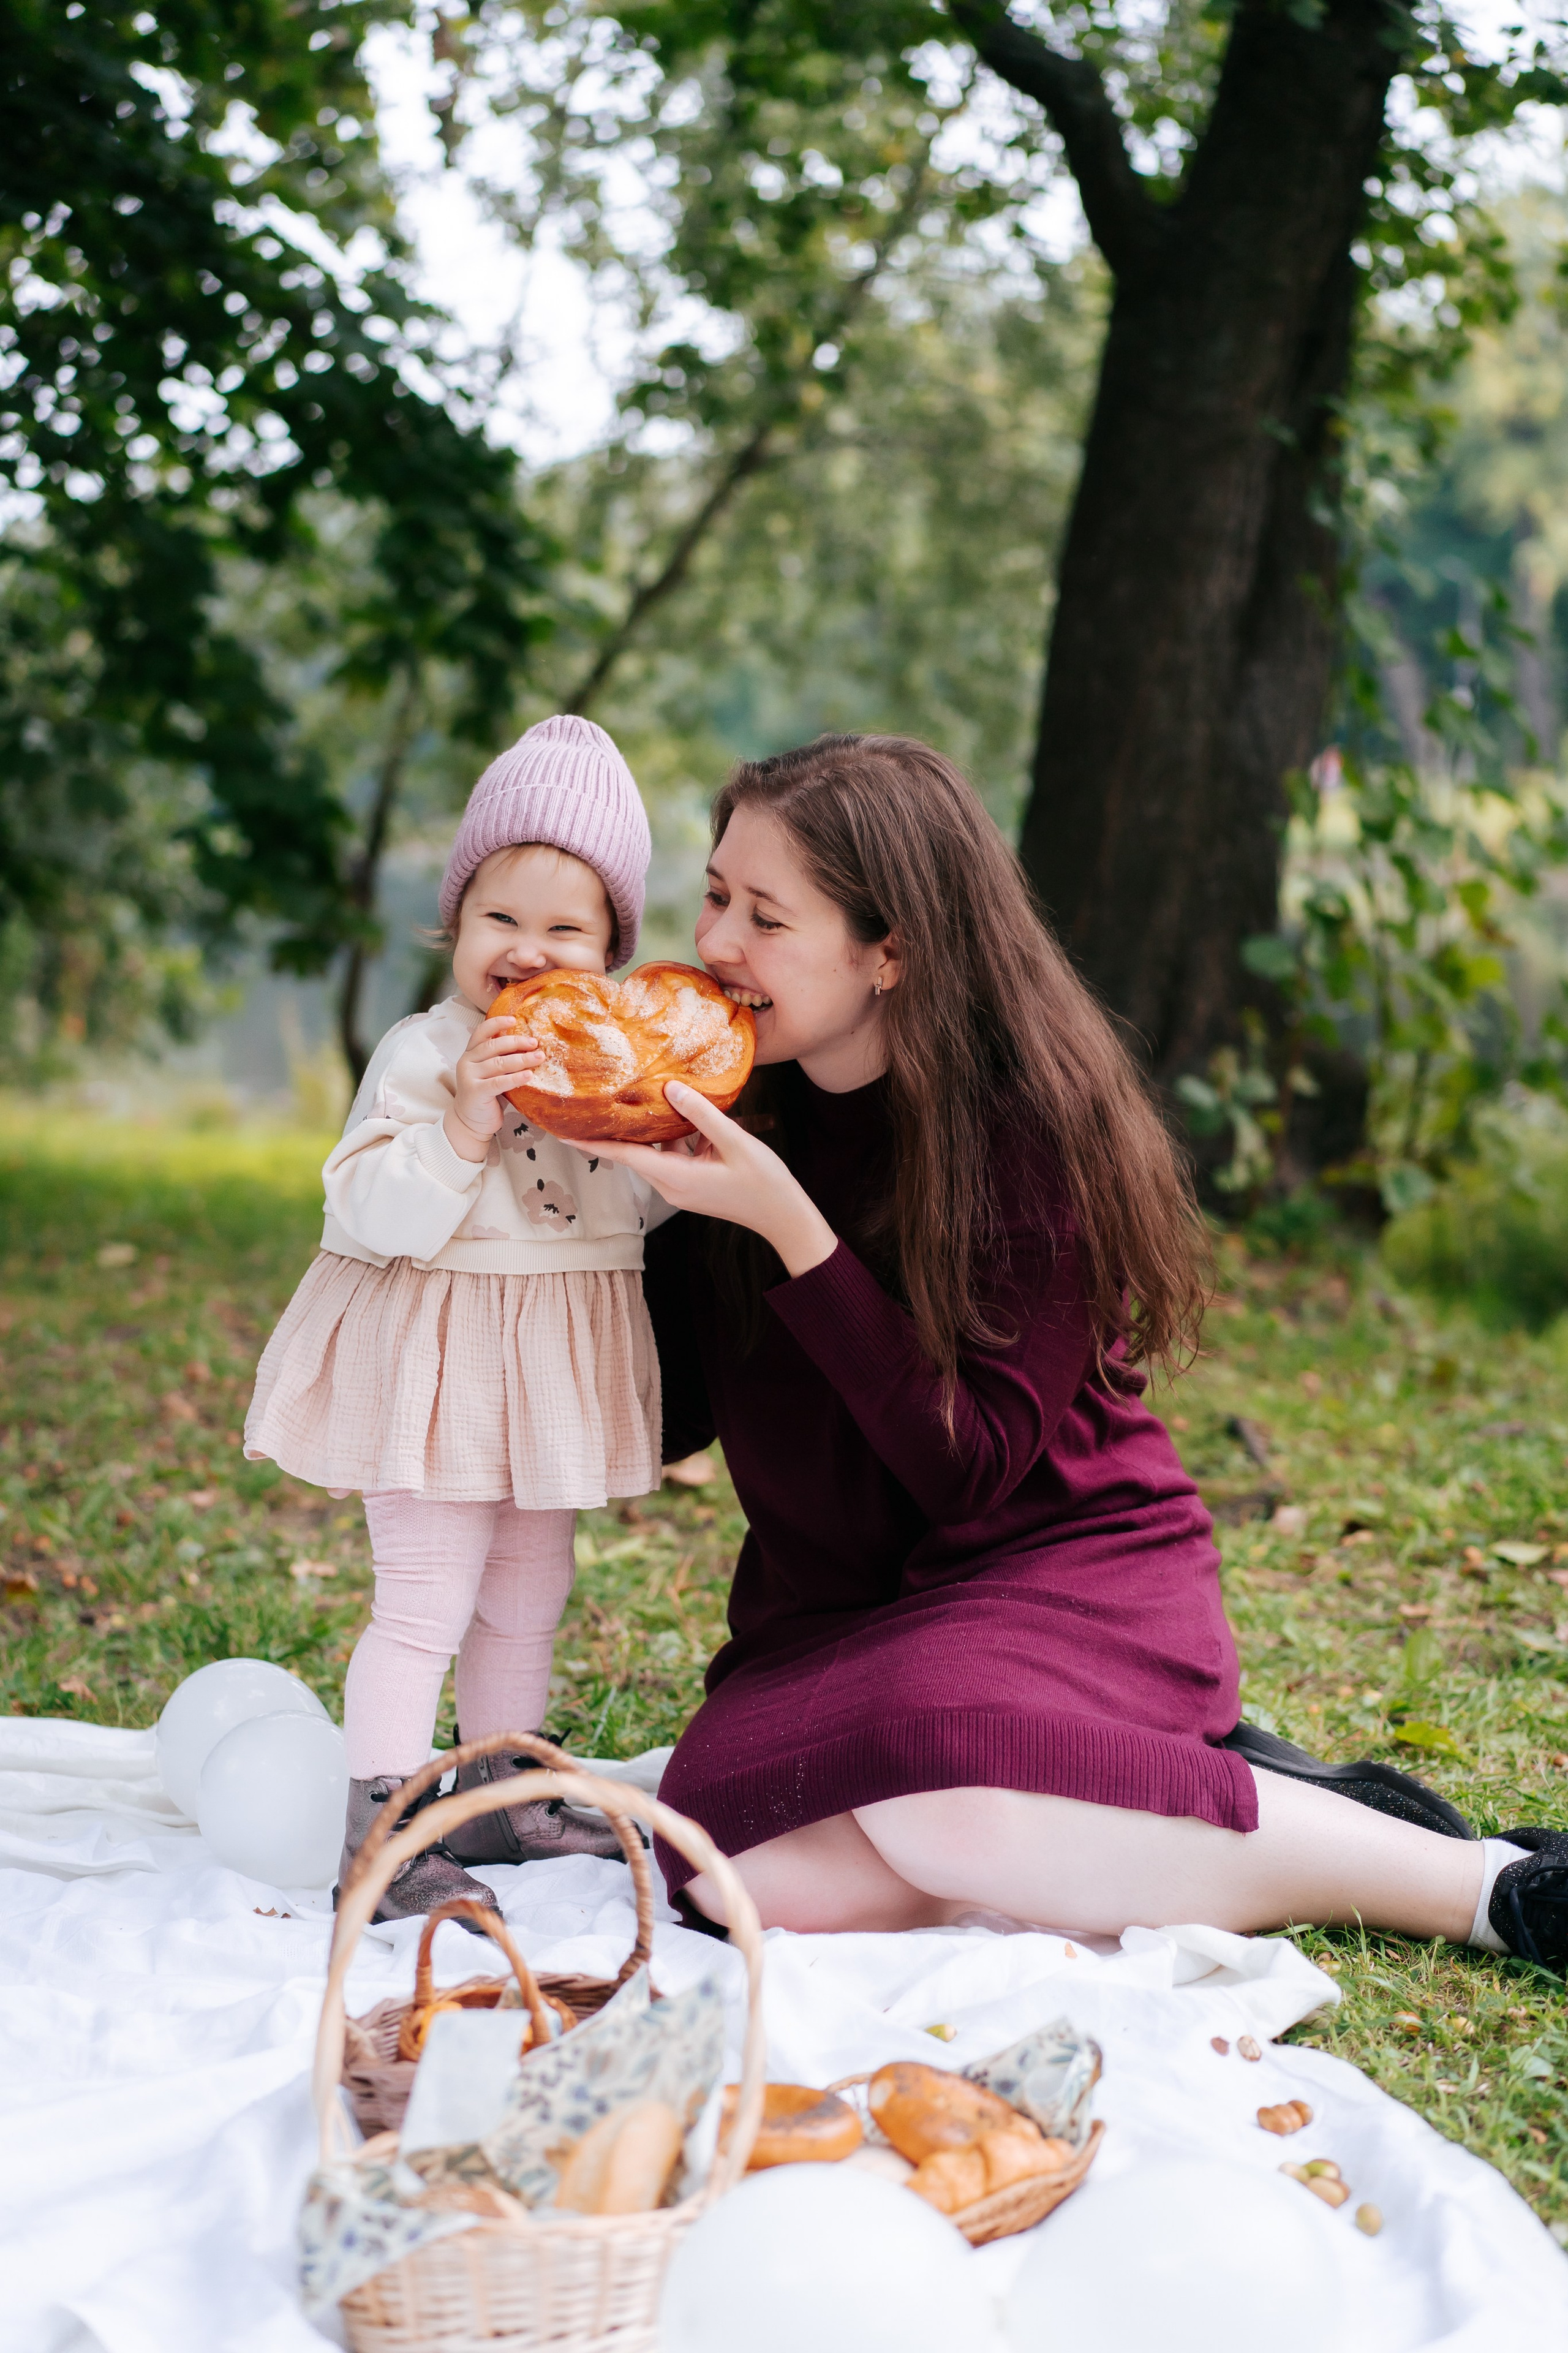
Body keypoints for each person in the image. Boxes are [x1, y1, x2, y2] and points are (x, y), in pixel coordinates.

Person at [592, 733, 1568, 1972]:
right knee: (729, 1879)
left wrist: (791, 1228)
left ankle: (1471, 1881)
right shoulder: (725, 1108)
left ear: (890, 948)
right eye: (715, 895)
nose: (716, 943)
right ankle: (1137, 1801)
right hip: (845, 1627)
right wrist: (582, 1216)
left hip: (1067, 1575)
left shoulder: (1026, 1129)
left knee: (941, 1803)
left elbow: (969, 1471)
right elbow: (660, 1417)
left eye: (765, 916)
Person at [245, 715, 666, 1924]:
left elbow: (631, 1217)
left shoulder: (613, 1070)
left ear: (610, 952)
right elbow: (365, 1207)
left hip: (546, 1367)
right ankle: (379, 1823)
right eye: (499, 919)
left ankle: (498, 1784)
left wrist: (646, 1131)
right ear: (453, 924)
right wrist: (467, 1121)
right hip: (434, 1358)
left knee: (531, 1583)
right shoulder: (425, 1055)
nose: (526, 949)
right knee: (426, 1592)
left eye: (564, 929)